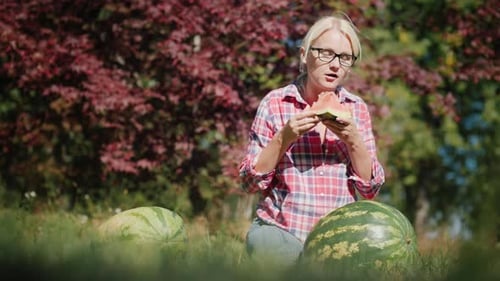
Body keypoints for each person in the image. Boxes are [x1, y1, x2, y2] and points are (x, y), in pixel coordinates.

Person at [239, 14, 385, 266]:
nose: (335, 65)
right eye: (326, 53)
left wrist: (353, 140)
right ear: (305, 55)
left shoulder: (356, 108)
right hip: (280, 230)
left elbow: (369, 191)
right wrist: (285, 137)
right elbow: (249, 184)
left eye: (344, 57)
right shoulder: (276, 103)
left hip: (337, 237)